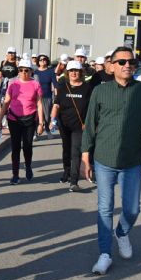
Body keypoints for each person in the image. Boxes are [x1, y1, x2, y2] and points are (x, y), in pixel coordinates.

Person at [81, 46, 141, 275]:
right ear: (111, 65)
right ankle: (104, 254)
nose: (127, 65)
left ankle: (122, 233)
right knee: (104, 208)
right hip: (104, 159)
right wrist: (86, 156)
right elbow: (90, 125)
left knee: (132, 209)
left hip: (133, 160)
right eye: (122, 62)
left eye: (131, 62)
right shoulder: (100, 91)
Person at [0, 58, 44, 184]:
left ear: (31, 71)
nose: (24, 72)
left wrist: (41, 123)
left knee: (27, 146)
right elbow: (6, 103)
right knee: (15, 147)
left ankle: (28, 166)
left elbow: (39, 104)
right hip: (14, 119)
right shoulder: (13, 84)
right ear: (18, 71)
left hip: (30, 119)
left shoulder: (35, 84)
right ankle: (15, 174)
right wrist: (0, 120)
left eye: (26, 70)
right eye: (21, 70)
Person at [50, 61, 93, 192]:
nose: (74, 73)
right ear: (67, 73)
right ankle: (66, 172)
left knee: (76, 152)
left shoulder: (87, 88)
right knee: (66, 150)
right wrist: (52, 119)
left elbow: (92, 107)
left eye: (77, 70)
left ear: (81, 72)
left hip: (80, 126)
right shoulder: (63, 87)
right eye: (71, 71)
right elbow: (56, 104)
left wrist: (90, 122)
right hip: (64, 125)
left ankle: (73, 182)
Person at [34, 54, 57, 139]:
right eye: (40, 60)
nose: (42, 61)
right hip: (36, 97)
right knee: (36, 116)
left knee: (47, 116)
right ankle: (35, 133)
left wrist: (57, 97)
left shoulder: (51, 71)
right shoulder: (35, 72)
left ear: (47, 61)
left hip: (47, 96)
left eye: (44, 59)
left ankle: (47, 130)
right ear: (38, 62)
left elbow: (55, 85)